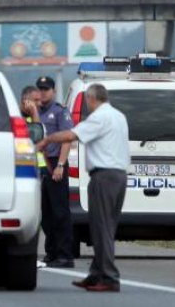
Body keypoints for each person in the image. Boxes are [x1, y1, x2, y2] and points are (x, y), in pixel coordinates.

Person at [41, 84, 130, 292]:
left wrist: (47, 139)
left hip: (104, 176)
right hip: (118, 176)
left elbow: (71, 135)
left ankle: (109, 277)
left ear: (91, 99)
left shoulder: (99, 117)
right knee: (106, 226)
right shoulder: (118, 116)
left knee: (102, 228)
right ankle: (96, 273)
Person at [34, 76, 75, 268]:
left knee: (60, 212)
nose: (42, 92)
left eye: (46, 89)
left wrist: (60, 164)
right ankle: (51, 253)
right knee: (46, 213)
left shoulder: (59, 112)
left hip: (55, 164)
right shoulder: (38, 112)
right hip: (42, 165)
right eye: (40, 88)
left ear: (53, 91)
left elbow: (67, 139)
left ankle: (65, 255)